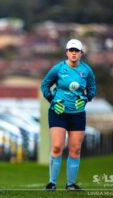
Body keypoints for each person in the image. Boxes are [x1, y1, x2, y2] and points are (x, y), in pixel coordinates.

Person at [41, 39, 96, 191]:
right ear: (66, 52)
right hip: (58, 113)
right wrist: (52, 100)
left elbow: (92, 90)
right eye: (71, 50)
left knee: (75, 149)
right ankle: (52, 183)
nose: (73, 53)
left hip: (77, 114)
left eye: (76, 51)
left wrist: (85, 99)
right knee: (58, 146)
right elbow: (45, 85)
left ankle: (70, 184)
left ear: (81, 53)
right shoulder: (58, 68)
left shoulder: (87, 71)